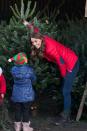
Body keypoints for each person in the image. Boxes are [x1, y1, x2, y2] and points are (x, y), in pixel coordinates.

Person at [23, 20, 79, 124]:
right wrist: (28, 25)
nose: (35, 44)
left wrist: (65, 75)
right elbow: (35, 31)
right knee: (64, 89)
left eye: (36, 42)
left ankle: (65, 117)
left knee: (65, 91)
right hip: (66, 61)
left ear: (40, 39)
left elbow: (61, 62)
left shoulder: (49, 48)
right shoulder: (40, 37)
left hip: (71, 63)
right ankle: (66, 113)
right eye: (33, 42)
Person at [8, 52, 36, 131]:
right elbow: (34, 79)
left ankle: (17, 127)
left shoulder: (13, 70)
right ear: (25, 60)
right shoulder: (29, 70)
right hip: (27, 95)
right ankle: (26, 128)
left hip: (16, 94)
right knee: (26, 111)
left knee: (17, 110)